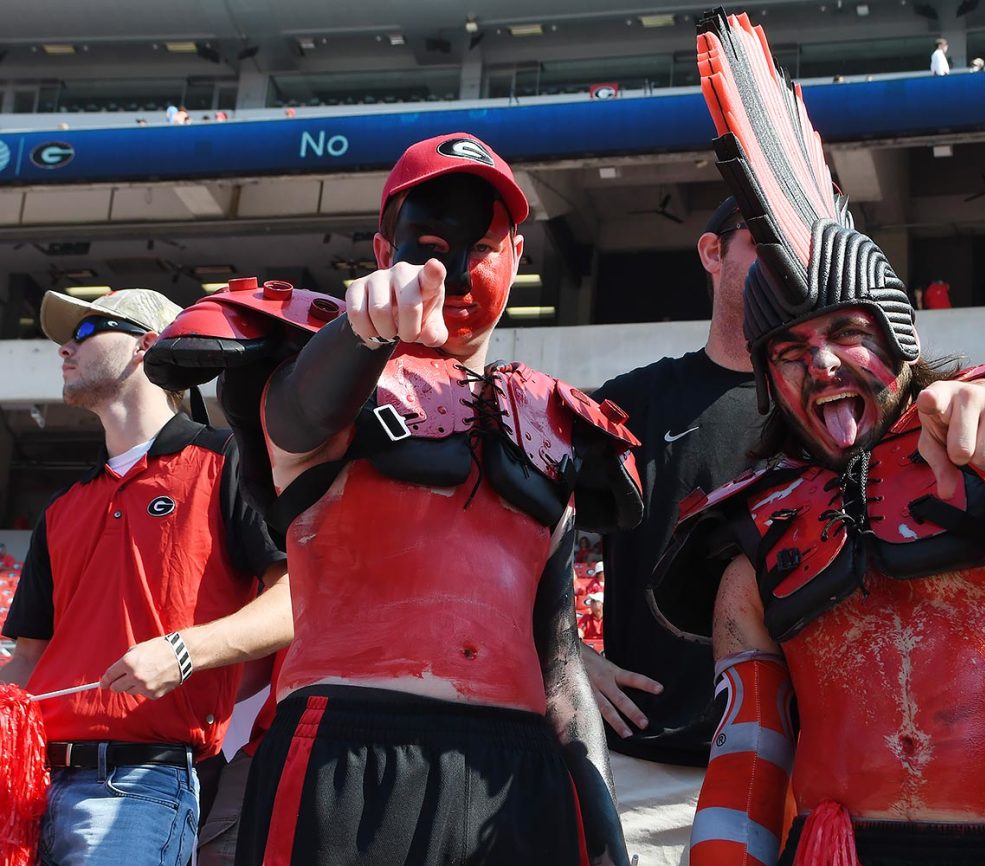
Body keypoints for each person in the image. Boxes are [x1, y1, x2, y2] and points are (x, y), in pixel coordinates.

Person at [653, 11, 985, 866]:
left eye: (848, 333)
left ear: (897, 335)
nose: (821, 366)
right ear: (768, 382)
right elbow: (744, 759)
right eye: (790, 351)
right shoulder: (751, 540)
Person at [145, 132, 640, 865]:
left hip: (517, 772)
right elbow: (295, 421)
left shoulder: (555, 425)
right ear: (384, 252)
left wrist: (603, 824)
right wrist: (363, 330)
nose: (456, 272)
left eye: (484, 249)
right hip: (346, 755)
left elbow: (560, 660)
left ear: (517, 260)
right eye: (431, 244)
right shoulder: (318, 372)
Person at [0, 288, 290, 866]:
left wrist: (183, 651)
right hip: (30, 787)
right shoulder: (62, 507)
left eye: (86, 331)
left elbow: (299, 597)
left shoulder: (228, 461)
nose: (64, 346)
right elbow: (28, 662)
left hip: (138, 787)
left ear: (146, 346)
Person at [584, 197, 761, 864]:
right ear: (713, 253)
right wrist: (567, 652)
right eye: (763, 239)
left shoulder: (828, 408)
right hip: (647, 775)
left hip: (791, 768)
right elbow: (507, 527)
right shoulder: (632, 403)